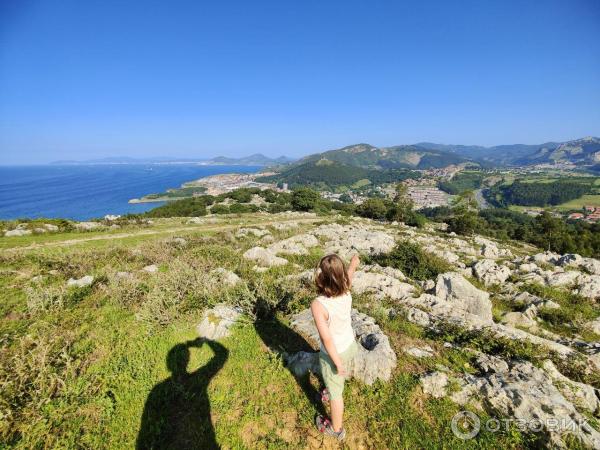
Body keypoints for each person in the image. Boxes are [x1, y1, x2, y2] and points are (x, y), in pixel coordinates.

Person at [311, 253, 359, 441]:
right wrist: (354, 264)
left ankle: (336, 429)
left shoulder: (318, 304)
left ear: (321, 277)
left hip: (333, 354)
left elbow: (327, 340)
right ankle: (330, 387)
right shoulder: (346, 289)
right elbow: (350, 273)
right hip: (349, 345)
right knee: (334, 381)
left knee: (336, 394)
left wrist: (337, 364)